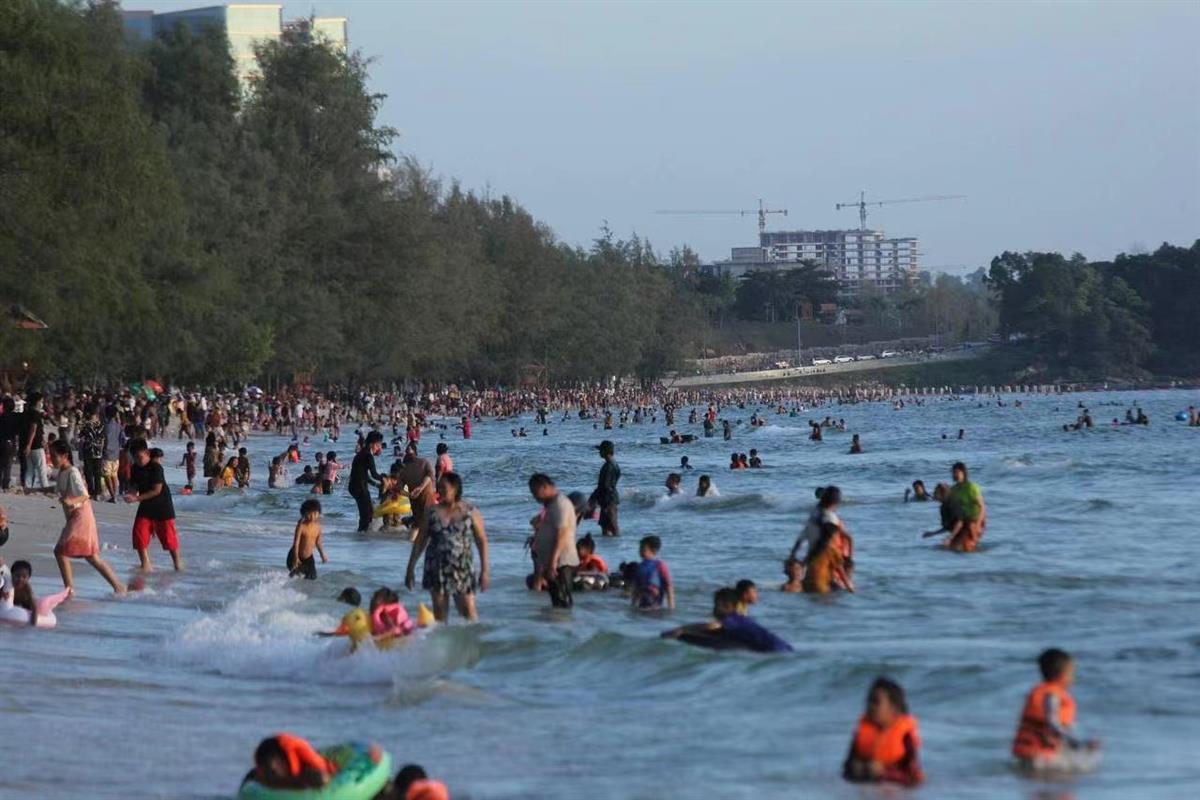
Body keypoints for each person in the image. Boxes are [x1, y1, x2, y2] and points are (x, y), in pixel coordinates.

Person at [405, 472, 489, 622]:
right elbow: (420, 541)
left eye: (444, 488)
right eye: (439, 488)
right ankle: (443, 645)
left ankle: (471, 644)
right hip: (436, 569)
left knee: (469, 612)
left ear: (455, 488)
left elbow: (481, 541)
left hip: (462, 569)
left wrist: (485, 571)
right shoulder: (431, 513)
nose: (440, 491)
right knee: (440, 616)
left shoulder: (470, 512)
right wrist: (410, 568)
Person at [49, 441, 124, 595]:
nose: (51, 458)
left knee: (60, 552)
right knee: (91, 557)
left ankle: (69, 591)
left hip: (81, 516)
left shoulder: (73, 472)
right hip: (73, 517)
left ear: (64, 456)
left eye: (54, 455)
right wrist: (30, 489)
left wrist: (71, 501)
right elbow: (55, 489)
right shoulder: (62, 472)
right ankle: (118, 587)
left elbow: (84, 495)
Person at [1012, 648, 1101, 772]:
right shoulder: (1052, 695)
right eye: (1072, 674)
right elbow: (1053, 724)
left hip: (1030, 755)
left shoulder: (1045, 692)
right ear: (1062, 675)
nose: (1073, 679)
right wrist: (1078, 744)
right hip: (1038, 758)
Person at [843, 677, 924, 787]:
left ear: (894, 709)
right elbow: (845, 770)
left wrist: (884, 773)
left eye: (876, 702)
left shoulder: (905, 736)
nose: (869, 706)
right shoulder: (862, 732)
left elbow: (913, 778)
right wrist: (856, 769)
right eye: (868, 701)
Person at [662, 587, 792, 653]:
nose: (713, 609)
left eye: (715, 605)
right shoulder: (741, 620)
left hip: (774, 651)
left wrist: (682, 629)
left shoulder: (732, 619)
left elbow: (712, 627)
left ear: (727, 606)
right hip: (783, 649)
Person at [124, 438, 181, 572]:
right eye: (135, 458)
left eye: (140, 457)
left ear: (147, 453)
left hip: (162, 505)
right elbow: (134, 486)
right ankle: (145, 564)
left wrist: (137, 498)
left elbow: (157, 490)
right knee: (139, 532)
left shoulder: (156, 467)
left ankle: (177, 564)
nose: (138, 460)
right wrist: (131, 494)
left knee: (168, 537)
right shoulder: (135, 468)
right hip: (146, 506)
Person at [788, 486, 854, 594]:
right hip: (823, 557)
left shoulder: (814, 514)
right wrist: (850, 586)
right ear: (837, 501)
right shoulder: (831, 519)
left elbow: (802, 536)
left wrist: (794, 555)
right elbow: (845, 540)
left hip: (815, 558)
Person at [528, 473, 579, 609]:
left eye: (535, 492)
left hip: (561, 563)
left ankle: (565, 628)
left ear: (544, 487)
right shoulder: (551, 505)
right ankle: (557, 628)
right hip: (554, 562)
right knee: (557, 604)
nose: (535, 497)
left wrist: (552, 562)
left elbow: (562, 534)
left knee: (563, 603)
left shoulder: (560, 504)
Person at [243, 734, 335, 791]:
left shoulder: (305, 770)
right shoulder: (260, 772)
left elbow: (322, 779)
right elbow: (250, 778)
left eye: (272, 771)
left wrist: (288, 783)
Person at [945, 461, 986, 552]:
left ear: (963, 473)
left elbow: (982, 507)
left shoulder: (972, 487)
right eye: (953, 472)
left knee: (967, 546)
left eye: (956, 472)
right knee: (951, 546)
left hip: (975, 519)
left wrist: (978, 524)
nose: (954, 475)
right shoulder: (953, 490)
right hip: (962, 521)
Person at [397, 442, 436, 534]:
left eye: (408, 452)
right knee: (424, 522)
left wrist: (413, 492)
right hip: (421, 497)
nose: (408, 454)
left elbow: (399, 488)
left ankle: (415, 543)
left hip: (419, 497)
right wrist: (412, 493)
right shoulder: (424, 462)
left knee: (419, 523)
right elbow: (430, 476)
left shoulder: (404, 468)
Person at [349, 431, 384, 532]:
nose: (379, 448)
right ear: (371, 444)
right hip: (359, 487)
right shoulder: (368, 456)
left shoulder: (362, 453)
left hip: (355, 486)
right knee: (367, 515)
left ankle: (361, 534)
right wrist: (386, 479)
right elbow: (374, 474)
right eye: (378, 445)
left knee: (367, 513)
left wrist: (376, 485)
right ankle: (362, 536)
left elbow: (365, 475)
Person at [287, 499, 327, 580]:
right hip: (295, 555)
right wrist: (295, 558)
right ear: (304, 513)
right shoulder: (301, 526)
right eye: (310, 513)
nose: (313, 516)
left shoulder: (318, 527)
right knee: (295, 577)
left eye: (315, 513)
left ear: (319, 513)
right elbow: (296, 543)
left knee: (313, 577)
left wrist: (322, 554)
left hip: (309, 558)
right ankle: (283, 583)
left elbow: (318, 542)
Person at [631, 535, 674, 610]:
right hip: (642, 606)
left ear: (653, 551)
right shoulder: (639, 567)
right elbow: (636, 587)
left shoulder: (660, 565)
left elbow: (668, 586)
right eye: (639, 549)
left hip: (656, 605)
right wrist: (633, 604)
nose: (640, 551)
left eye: (643, 549)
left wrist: (671, 606)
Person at [589, 440, 621, 537]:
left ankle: (618, 548)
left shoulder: (608, 466)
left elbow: (604, 486)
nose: (599, 453)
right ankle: (609, 548)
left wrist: (593, 498)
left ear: (605, 451)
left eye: (601, 450)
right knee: (606, 527)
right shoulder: (613, 464)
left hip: (608, 500)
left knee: (612, 526)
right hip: (609, 498)